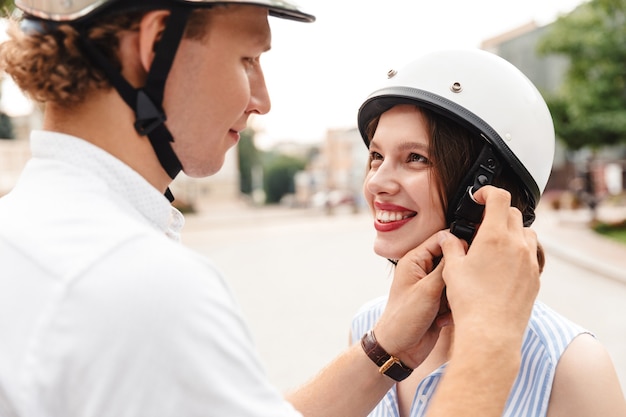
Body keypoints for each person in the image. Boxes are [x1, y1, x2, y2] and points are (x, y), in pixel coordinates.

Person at [0, 1, 544, 416]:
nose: (261, 99)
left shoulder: (28, 234)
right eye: (248, 59)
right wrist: (491, 340)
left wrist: (382, 350)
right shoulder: (138, 284)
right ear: (157, 42)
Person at [351, 48, 626, 417]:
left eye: (416, 158)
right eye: (376, 156)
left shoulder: (572, 367)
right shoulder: (371, 329)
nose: (375, 183)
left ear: (486, 188)